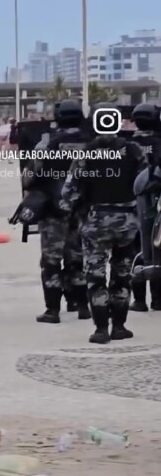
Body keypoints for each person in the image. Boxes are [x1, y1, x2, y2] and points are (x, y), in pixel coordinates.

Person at [61, 102, 146, 344]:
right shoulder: (134, 151)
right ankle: (119, 326)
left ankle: (100, 329)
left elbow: (69, 192)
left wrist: (74, 212)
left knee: (96, 275)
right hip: (128, 223)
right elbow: (145, 184)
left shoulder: (86, 153)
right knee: (122, 274)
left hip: (95, 221)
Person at [23, 99, 91, 324]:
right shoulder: (92, 143)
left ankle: (52, 310)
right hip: (82, 209)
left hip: (54, 209)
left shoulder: (48, 145)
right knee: (77, 257)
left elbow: (29, 178)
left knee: (51, 260)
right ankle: (82, 305)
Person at [130, 103, 161, 311]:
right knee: (156, 249)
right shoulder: (159, 141)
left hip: (128, 204)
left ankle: (139, 300)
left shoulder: (127, 142)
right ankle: (158, 300)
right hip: (155, 203)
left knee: (135, 252)